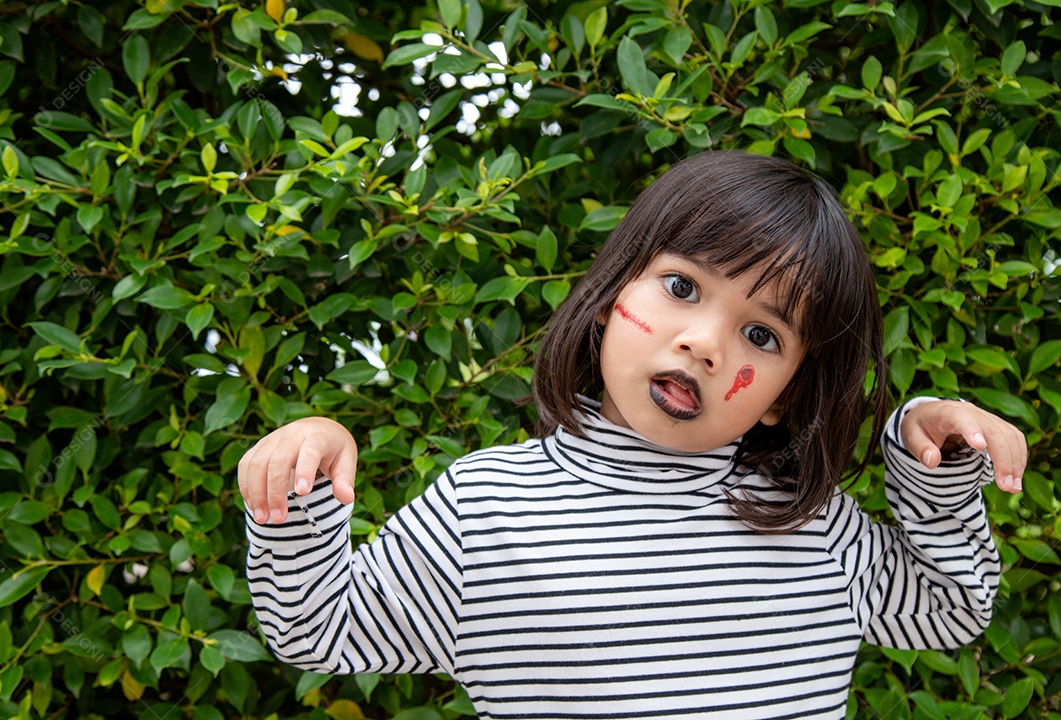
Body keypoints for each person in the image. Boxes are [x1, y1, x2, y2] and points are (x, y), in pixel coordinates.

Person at [239, 151, 1026, 719]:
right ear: (613, 292)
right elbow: (317, 628)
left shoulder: (810, 525)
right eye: (682, 286)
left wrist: (934, 459)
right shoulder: (486, 511)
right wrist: (302, 480)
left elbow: (950, 609)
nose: (705, 343)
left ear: (785, 398)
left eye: (762, 335)